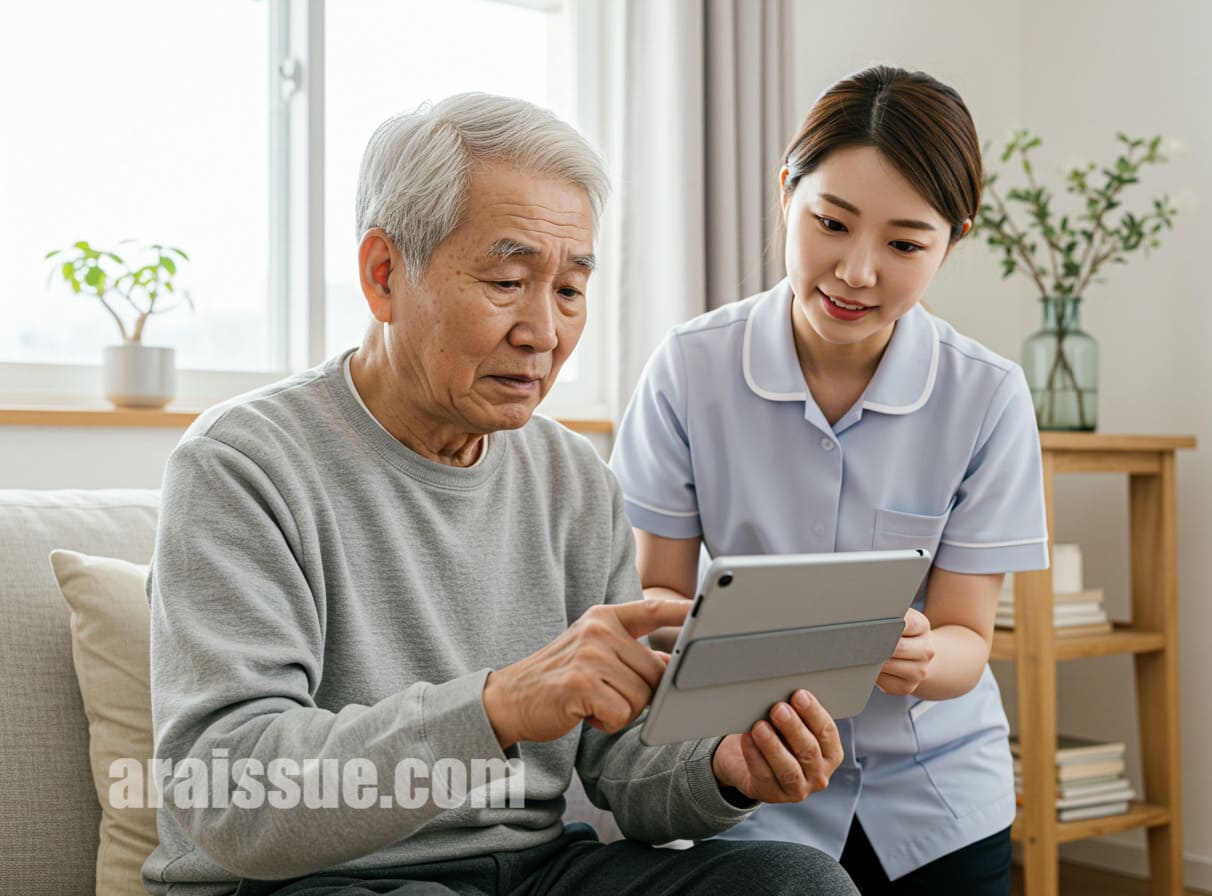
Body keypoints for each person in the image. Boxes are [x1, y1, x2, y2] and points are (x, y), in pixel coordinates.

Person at [143, 93, 857, 896]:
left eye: (569, 291)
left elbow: (626, 764)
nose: (543, 333)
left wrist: (725, 768)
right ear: (385, 276)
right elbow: (228, 792)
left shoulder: (571, 477)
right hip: (313, 881)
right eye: (508, 279)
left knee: (798, 882)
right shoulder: (243, 464)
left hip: (532, 871)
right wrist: (495, 708)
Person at [609, 66, 1050, 895]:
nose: (856, 271)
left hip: (936, 803)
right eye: (831, 223)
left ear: (952, 241)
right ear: (787, 195)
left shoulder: (986, 395)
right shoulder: (689, 368)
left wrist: (921, 653)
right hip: (751, 794)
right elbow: (654, 602)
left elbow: (966, 640)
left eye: (905, 244)